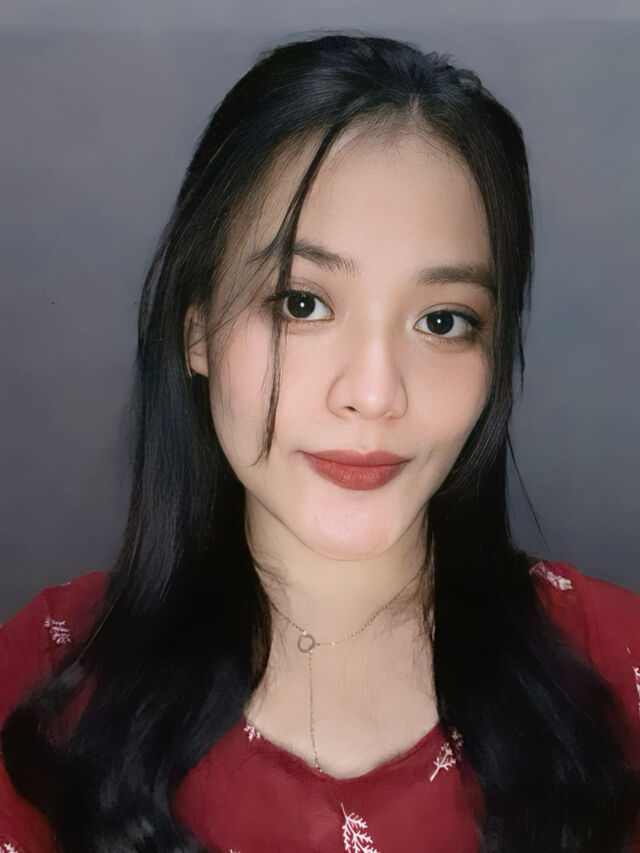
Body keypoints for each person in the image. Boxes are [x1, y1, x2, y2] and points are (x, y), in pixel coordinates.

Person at [1, 30, 639, 853]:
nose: (373, 393)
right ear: (196, 328)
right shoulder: (44, 683)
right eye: (302, 303)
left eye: (443, 321)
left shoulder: (617, 664)